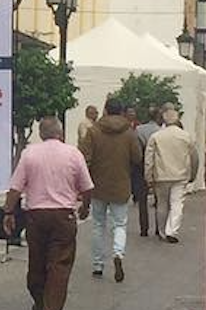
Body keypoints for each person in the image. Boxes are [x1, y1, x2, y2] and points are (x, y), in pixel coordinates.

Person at [4, 118, 94, 310]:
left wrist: (8, 211)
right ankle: (51, 305)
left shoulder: (29, 154)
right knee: (59, 265)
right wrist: (85, 207)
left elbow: (15, 187)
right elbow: (87, 187)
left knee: (37, 262)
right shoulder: (73, 154)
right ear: (60, 134)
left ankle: (39, 299)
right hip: (63, 217)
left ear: (41, 134)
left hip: (36, 217)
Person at [80, 98, 143, 282]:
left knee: (99, 225)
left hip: (98, 185)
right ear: (122, 112)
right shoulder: (129, 133)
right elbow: (137, 157)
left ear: (105, 111)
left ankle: (98, 264)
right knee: (120, 224)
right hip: (121, 184)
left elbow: (85, 158)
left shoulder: (93, 132)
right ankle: (118, 254)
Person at [144, 107, 199, 244]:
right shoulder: (186, 136)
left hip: (161, 175)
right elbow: (194, 157)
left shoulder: (156, 136)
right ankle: (172, 230)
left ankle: (162, 231)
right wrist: (193, 174)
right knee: (177, 203)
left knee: (161, 204)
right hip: (180, 175)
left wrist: (148, 176)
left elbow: (149, 159)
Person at [135, 105, 164, 235]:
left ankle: (144, 228)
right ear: (158, 117)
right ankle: (159, 228)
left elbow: (136, 148)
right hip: (158, 165)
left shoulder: (139, 130)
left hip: (141, 165)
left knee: (142, 199)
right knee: (159, 199)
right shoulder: (161, 131)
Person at [124, 105, 151, 238]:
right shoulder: (123, 126)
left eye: (133, 112)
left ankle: (145, 228)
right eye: (130, 112)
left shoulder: (138, 127)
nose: (132, 114)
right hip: (132, 163)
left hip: (139, 164)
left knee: (142, 196)